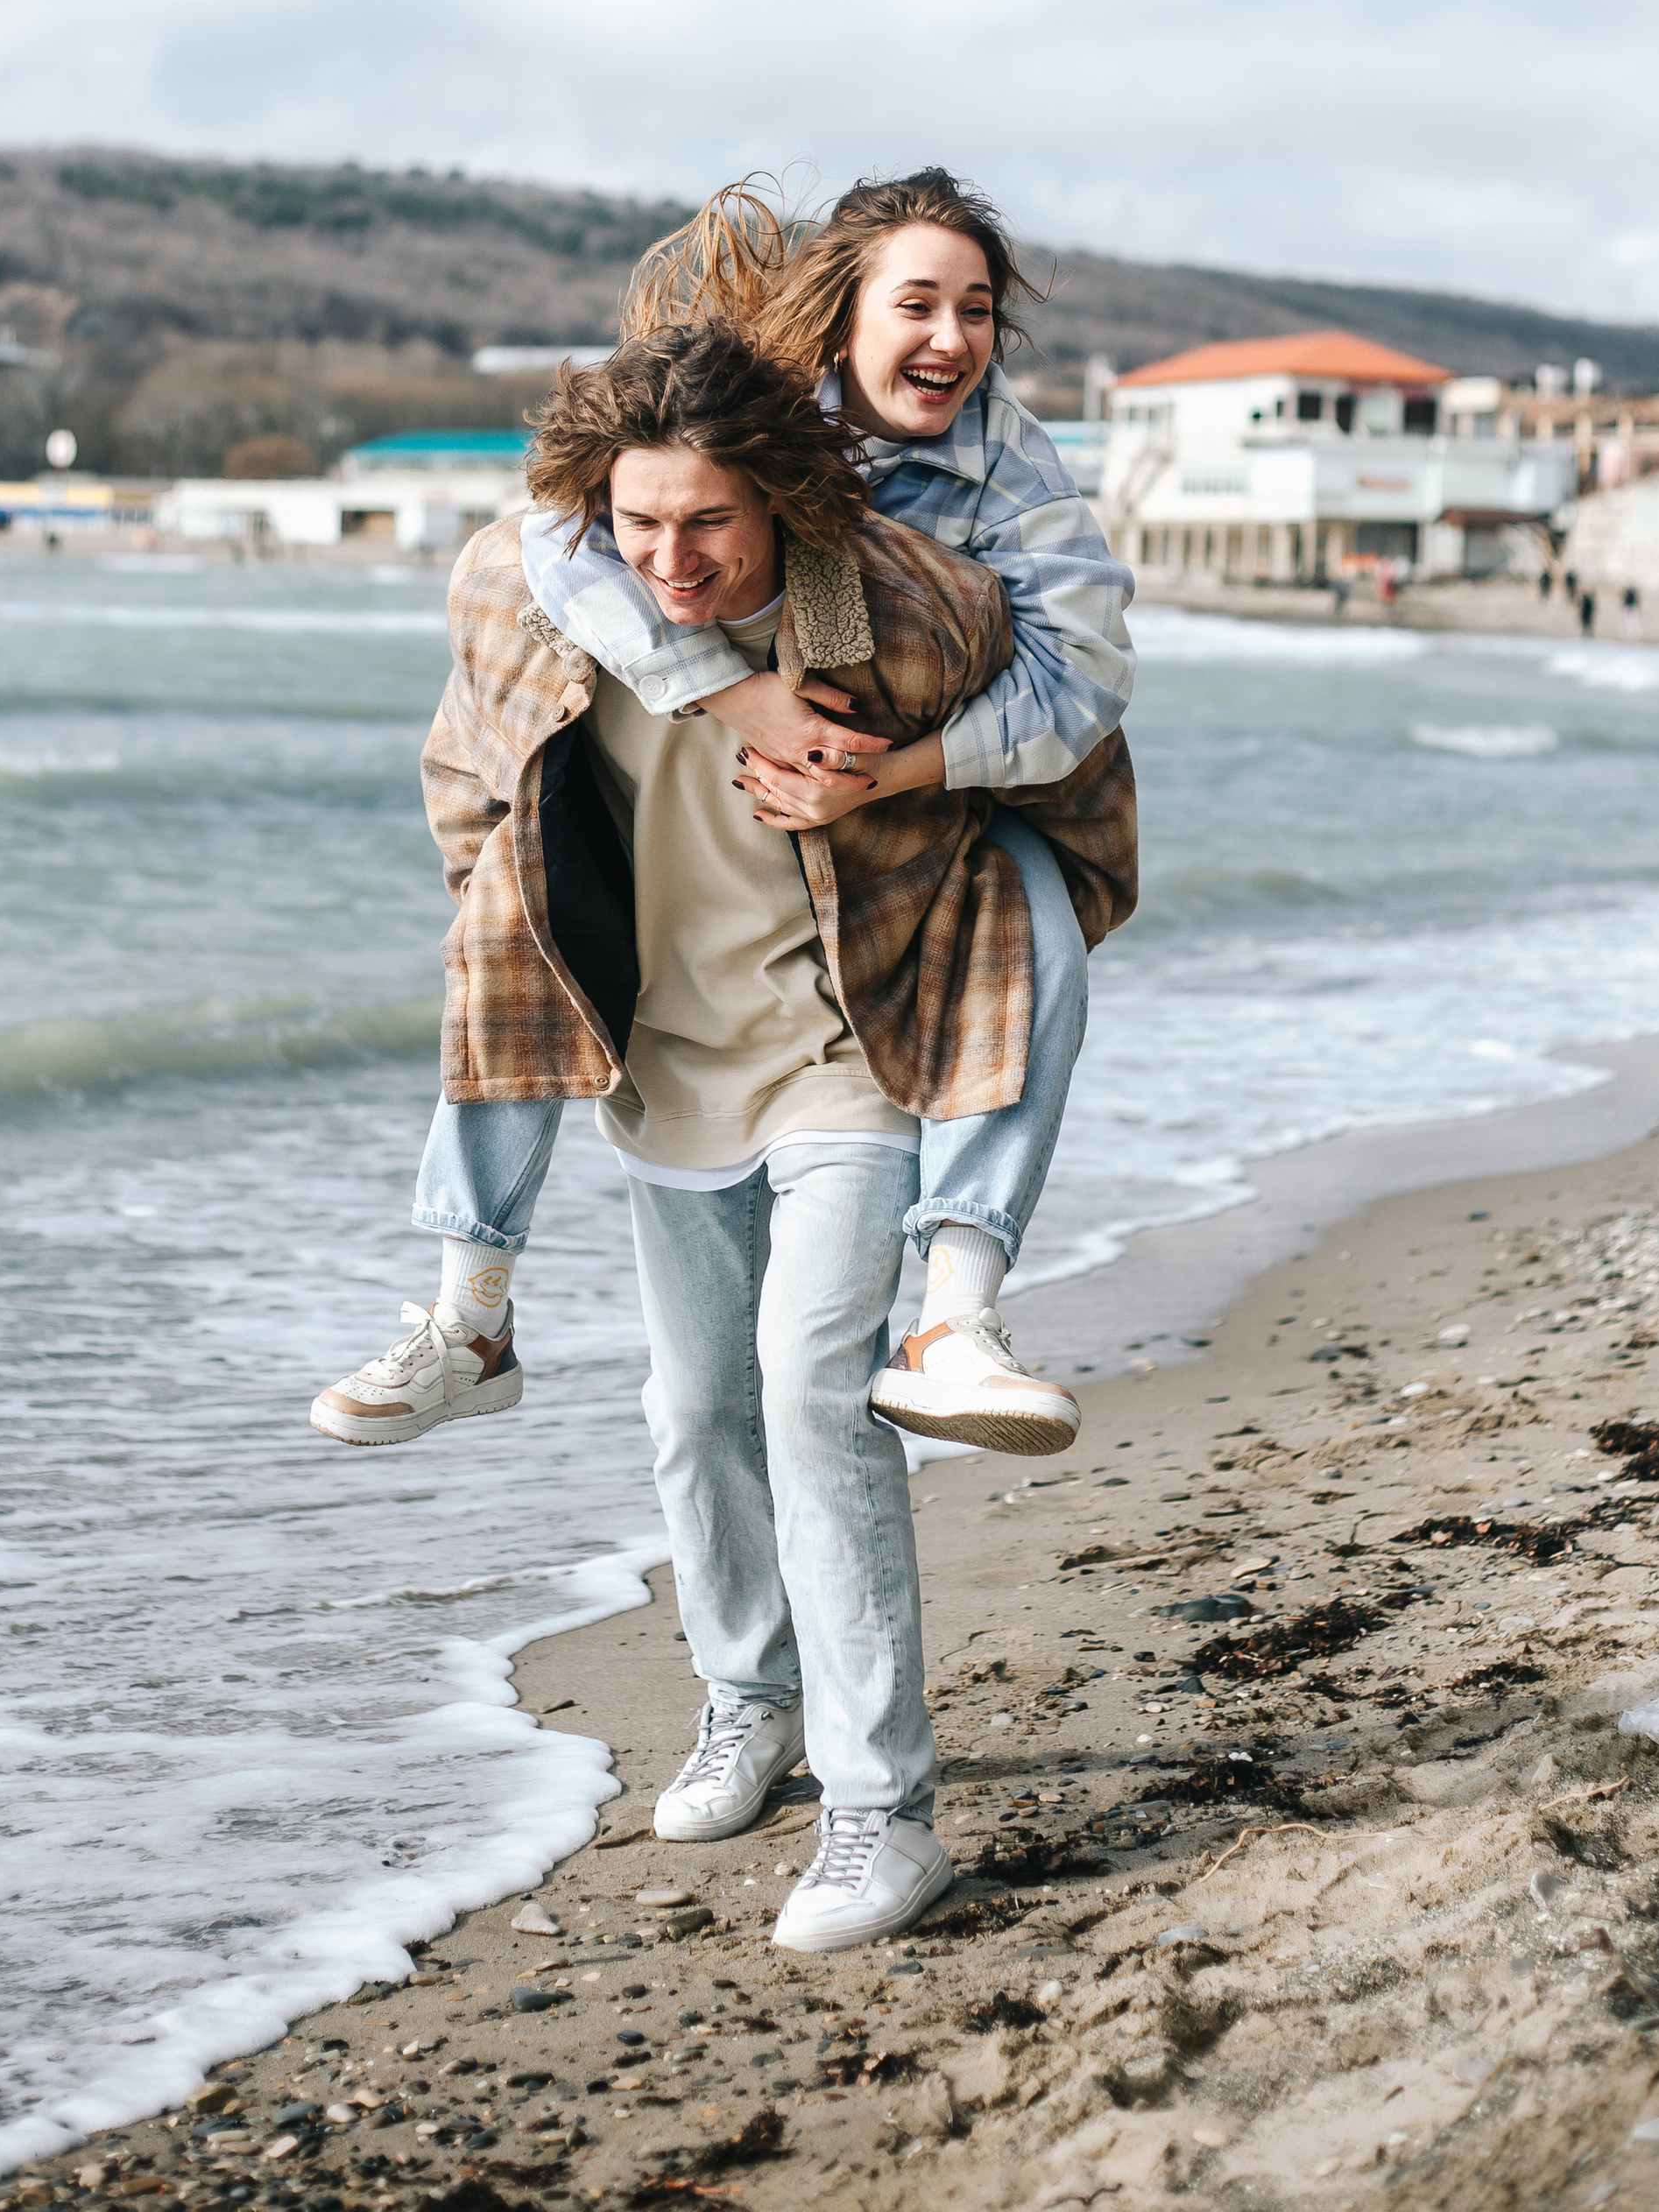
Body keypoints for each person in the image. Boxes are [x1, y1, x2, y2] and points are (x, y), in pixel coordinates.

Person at [360, 320, 1137, 1948]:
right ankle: (748, 1701)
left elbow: (1070, 746)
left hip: (846, 1055)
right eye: (642, 525)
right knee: (698, 1407)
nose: (675, 557)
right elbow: (466, 767)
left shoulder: (902, 615)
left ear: (780, 500)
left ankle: (883, 1816)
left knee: (809, 1390)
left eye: (708, 521)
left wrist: (949, 849)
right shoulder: (561, 613)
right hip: (666, 1068)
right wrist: (507, 912)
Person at [313, 167, 1134, 1460]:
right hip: (717, 813)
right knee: (510, 910)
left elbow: (1085, 675)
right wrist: (737, 693)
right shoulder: (732, 403)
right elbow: (556, 533)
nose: (954, 338)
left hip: (911, 805)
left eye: (978, 309)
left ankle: (960, 1313)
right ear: (841, 313)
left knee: (1036, 916)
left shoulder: (1010, 471)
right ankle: (471, 1308)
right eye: (917, 302)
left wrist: (889, 774)